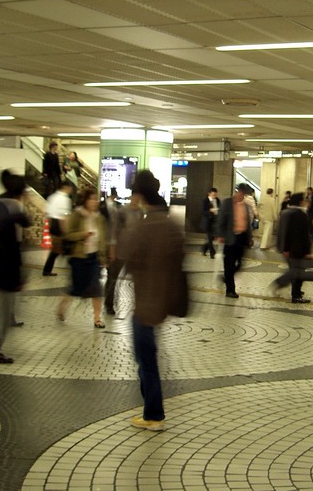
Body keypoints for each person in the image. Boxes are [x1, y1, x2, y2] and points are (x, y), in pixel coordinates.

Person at [125, 170, 186, 431]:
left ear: (139, 195)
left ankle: (154, 415)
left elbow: (127, 256)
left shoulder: (144, 224)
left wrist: (132, 216)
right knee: (148, 358)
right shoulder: (171, 224)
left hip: (146, 303)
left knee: (146, 361)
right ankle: (153, 412)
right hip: (165, 299)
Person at [0, 171, 30, 364]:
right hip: (6, 268)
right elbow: (15, 244)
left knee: (1, 312)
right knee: (2, 314)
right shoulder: (14, 209)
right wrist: (18, 277)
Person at [57, 189, 108, 328]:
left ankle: (97, 318)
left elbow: (103, 239)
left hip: (94, 257)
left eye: (95, 199)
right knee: (76, 288)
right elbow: (68, 235)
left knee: (96, 288)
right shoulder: (77, 215)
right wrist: (83, 235)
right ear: (85, 201)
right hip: (79, 257)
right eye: (91, 199)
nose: (94, 202)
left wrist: (103, 258)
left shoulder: (100, 218)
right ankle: (62, 306)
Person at [104, 190, 144, 316]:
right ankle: (109, 303)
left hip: (134, 251)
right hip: (120, 250)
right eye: (135, 196)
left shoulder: (140, 212)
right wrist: (112, 249)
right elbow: (114, 231)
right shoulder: (122, 211)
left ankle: (139, 306)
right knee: (113, 279)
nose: (137, 199)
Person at [273, 193, 313, 303]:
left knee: (296, 270)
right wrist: (307, 251)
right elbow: (299, 234)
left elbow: (283, 232)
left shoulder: (287, 212)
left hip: (290, 248)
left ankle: (297, 292)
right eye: (304, 200)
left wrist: (284, 248)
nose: (306, 202)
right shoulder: (299, 214)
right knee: (297, 271)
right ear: (300, 202)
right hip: (297, 249)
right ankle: (294, 294)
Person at [216, 184, 253, 299]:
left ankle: (226, 277)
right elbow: (220, 219)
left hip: (241, 239)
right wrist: (220, 235)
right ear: (237, 192)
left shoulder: (246, 206)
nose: (243, 196)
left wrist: (250, 237)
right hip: (230, 238)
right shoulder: (227, 203)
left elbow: (248, 223)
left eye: (245, 194)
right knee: (229, 265)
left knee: (240, 264)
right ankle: (230, 290)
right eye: (242, 193)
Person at [42, 181, 73, 276]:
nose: (71, 190)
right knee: (59, 250)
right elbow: (63, 217)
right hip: (59, 226)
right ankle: (47, 270)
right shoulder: (65, 199)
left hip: (52, 225)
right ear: (65, 187)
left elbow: (47, 212)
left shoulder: (52, 197)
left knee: (57, 250)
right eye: (70, 188)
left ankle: (47, 270)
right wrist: (65, 231)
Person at [200, 188, 220, 258]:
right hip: (207, 221)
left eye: (215, 195)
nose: (214, 196)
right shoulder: (205, 200)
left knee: (212, 238)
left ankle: (204, 249)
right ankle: (212, 252)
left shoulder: (217, 200)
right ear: (209, 193)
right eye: (213, 195)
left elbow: (219, 208)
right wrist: (210, 211)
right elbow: (203, 211)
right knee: (210, 237)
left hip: (215, 221)